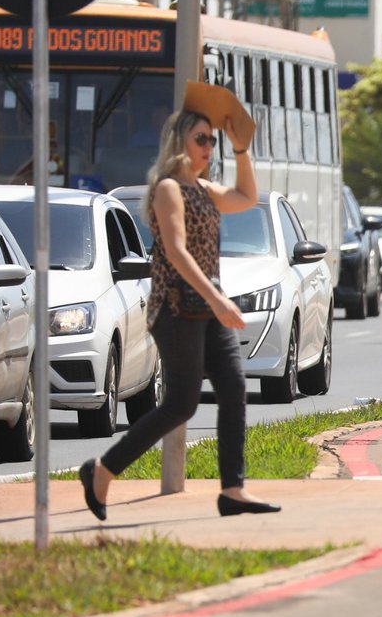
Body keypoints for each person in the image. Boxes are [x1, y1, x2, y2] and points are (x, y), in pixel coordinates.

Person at [79, 104, 279, 520]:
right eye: (200, 139)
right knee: (181, 405)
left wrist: (242, 150)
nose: (208, 147)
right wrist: (219, 300)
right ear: (179, 142)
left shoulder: (205, 191)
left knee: (234, 390)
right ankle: (101, 470)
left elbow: (245, 197)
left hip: (206, 307)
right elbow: (176, 251)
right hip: (176, 309)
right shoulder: (169, 189)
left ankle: (233, 491)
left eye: (212, 140)